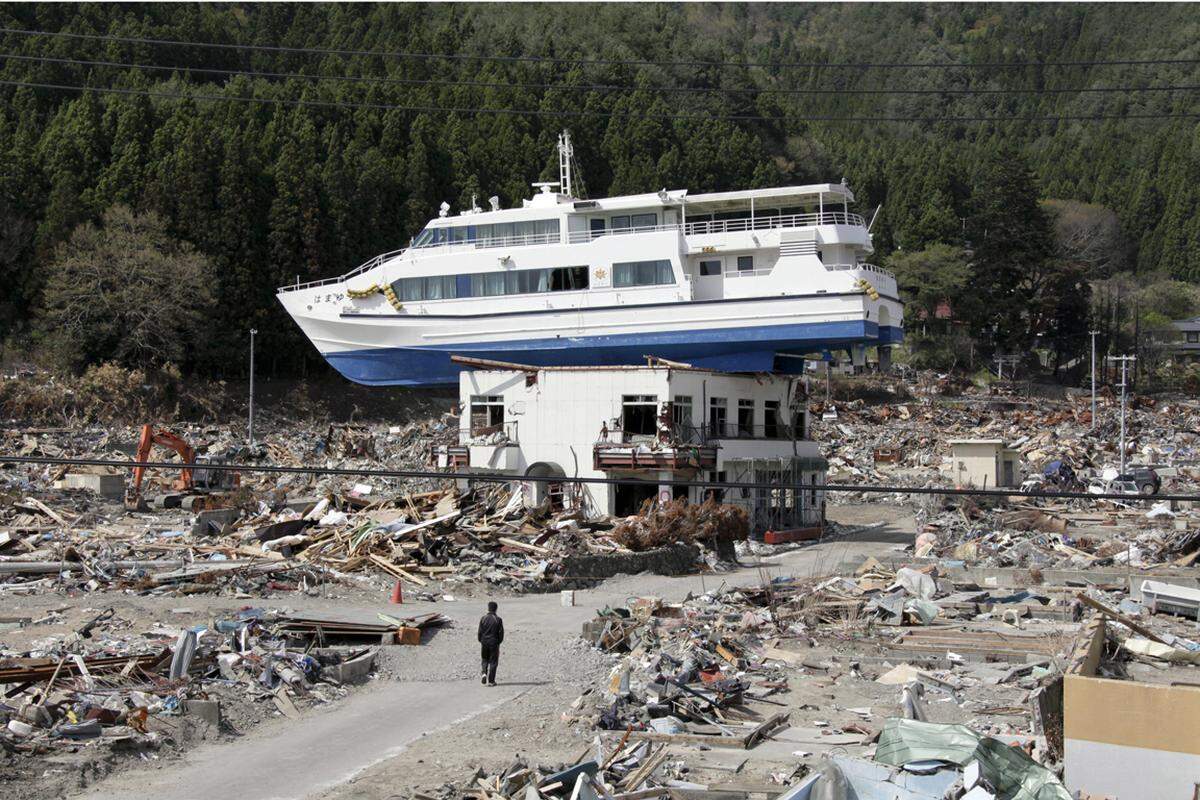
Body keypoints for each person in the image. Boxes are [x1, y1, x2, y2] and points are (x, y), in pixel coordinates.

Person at [477, 600, 504, 686]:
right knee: (493, 661)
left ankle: (484, 672)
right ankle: (491, 681)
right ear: (496, 609)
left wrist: (480, 640)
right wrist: (498, 642)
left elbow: (479, 632)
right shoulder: (498, 620)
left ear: (488, 608)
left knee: (484, 659)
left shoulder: (483, 618)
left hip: (484, 642)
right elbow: (501, 633)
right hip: (494, 643)